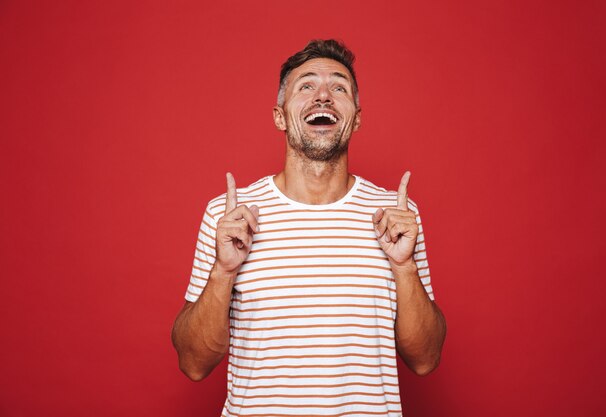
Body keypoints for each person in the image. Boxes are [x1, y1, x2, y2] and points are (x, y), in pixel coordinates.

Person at [172, 39, 446, 416]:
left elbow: (426, 359)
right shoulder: (228, 216)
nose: (323, 97)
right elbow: (192, 363)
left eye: (339, 87)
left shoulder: (395, 216)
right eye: (306, 86)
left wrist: (404, 267)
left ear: (357, 117)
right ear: (280, 116)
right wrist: (223, 270)